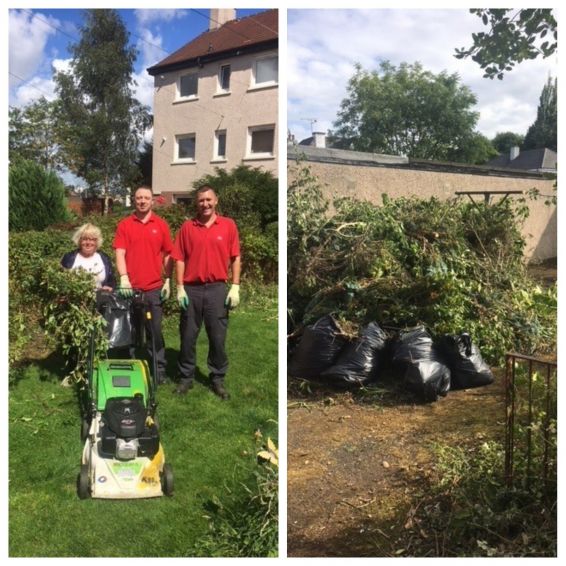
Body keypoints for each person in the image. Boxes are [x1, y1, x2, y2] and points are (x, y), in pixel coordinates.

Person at [172, 184, 241, 400]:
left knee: (217, 337)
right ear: (196, 203)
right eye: (201, 200)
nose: (205, 204)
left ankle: (217, 378)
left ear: (216, 200)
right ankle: (186, 378)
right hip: (191, 290)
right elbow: (179, 258)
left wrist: (236, 286)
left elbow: (235, 257)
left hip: (217, 290)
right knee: (188, 336)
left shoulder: (228, 226)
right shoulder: (187, 228)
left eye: (209, 200)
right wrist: (180, 287)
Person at [113, 186, 173, 384]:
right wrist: (124, 278)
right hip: (130, 289)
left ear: (152, 201)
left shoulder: (161, 225)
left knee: (154, 331)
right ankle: (130, 367)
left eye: (146, 198)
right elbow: (120, 252)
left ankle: (158, 369)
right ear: (134, 200)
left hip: (154, 289)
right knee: (130, 331)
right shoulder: (125, 225)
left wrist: (168, 279)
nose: (142, 201)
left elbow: (167, 254)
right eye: (139, 198)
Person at [61, 223, 115, 290]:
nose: (88, 243)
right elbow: (61, 281)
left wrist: (109, 287)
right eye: (85, 239)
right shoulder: (68, 258)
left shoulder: (104, 258)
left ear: (97, 241)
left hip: (99, 299)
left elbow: (111, 281)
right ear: (79, 240)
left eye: (92, 239)